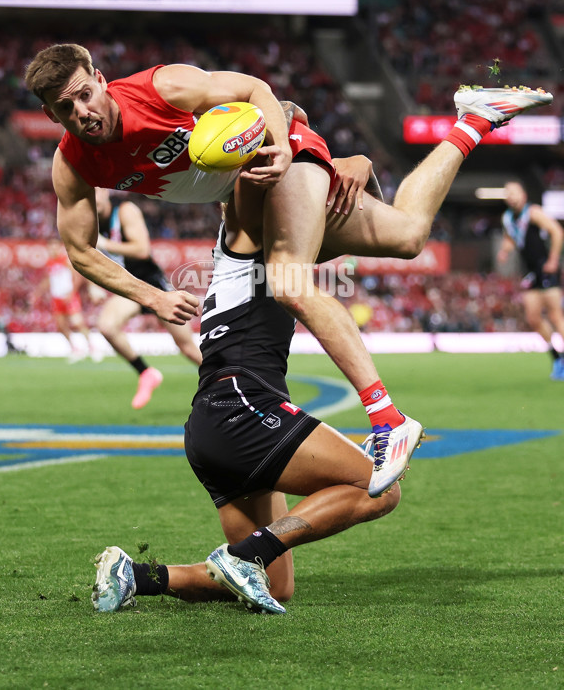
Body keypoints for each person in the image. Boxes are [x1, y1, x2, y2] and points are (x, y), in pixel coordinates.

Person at [24, 44, 552, 493]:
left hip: (278, 159)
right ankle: (475, 119)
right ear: (51, 116)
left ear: (99, 79)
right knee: (409, 234)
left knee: (287, 279)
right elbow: (81, 251)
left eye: (84, 95)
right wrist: (155, 299)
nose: (80, 112)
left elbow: (257, 90)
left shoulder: (164, 87)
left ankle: (388, 419)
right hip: (250, 190)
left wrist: (281, 147)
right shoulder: (73, 164)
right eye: (63, 108)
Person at [92, 218, 401, 615]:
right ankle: (247, 554)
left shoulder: (267, 252)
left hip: (211, 421)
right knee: (380, 488)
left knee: (278, 585)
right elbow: (396, 233)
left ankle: (134, 576)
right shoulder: (251, 236)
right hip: (244, 407)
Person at [94, 187, 201, 408]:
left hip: (153, 285)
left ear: (104, 191)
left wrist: (105, 244)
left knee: (187, 347)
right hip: (129, 288)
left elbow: (142, 249)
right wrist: (90, 286)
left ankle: (229, 380)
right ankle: (146, 373)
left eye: (95, 189)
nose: (91, 195)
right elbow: (84, 255)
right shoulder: (87, 219)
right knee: (106, 326)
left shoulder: (124, 210)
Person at [497, 180, 564, 381]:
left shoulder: (533, 212)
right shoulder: (508, 218)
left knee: (554, 315)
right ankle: (557, 357)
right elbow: (511, 237)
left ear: (523, 195)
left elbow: (557, 231)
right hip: (529, 272)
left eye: (515, 192)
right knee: (533, 318)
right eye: (508, 193)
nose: (511, 196)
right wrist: (505, 250)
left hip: (545, 268)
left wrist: (553, 259)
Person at [34, 238, 100, 362]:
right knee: (61, 326)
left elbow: (77, 276)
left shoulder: (65, 260)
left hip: (69, 296)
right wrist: (38, 292)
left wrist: (71, 292)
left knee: (77, 323)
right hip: (56, 298)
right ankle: (75, 349)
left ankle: (92, 347)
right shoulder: (50, 262)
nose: (52, 249)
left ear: (59, 247)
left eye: (55, 246)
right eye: (50, 247)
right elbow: (49, 279)